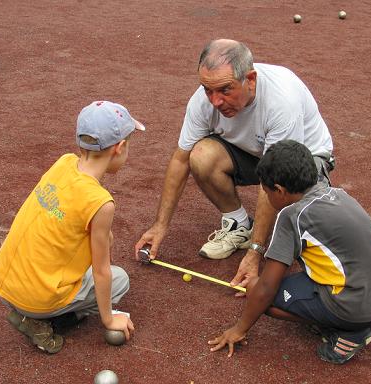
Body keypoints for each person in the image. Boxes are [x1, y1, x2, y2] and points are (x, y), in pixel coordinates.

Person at [134, 39, 334, 292]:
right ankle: (239, 225)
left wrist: (255, 252)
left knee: (300, 214)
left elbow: (272, 179)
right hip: (252, 151)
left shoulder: (281, 101)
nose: (215, 101)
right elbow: (180, 159)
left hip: (303, 159)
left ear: (250, 79)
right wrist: (159, 226)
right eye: (208, 89)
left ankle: (269, 242)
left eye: (225, 90)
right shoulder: (203, 101)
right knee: (200, 154)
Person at [208, 140, 371, 364]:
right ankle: (351, 320)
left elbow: (267, 288)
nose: (267, 197)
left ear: (279, 190)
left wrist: (239, 328)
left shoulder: (292, 216)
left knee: (258, 294)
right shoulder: (338, 194)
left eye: (267, 191)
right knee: (270, 286)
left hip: (354, 306)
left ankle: (351, 333)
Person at [0, 100, 144, 353]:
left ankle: (35, 313)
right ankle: (44, 320)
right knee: (119, 280)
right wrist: (109, 319)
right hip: (34, 298)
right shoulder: (101, 202)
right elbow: (102, 270)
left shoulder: (63, 163)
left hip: (4, 279)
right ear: (120, 147)